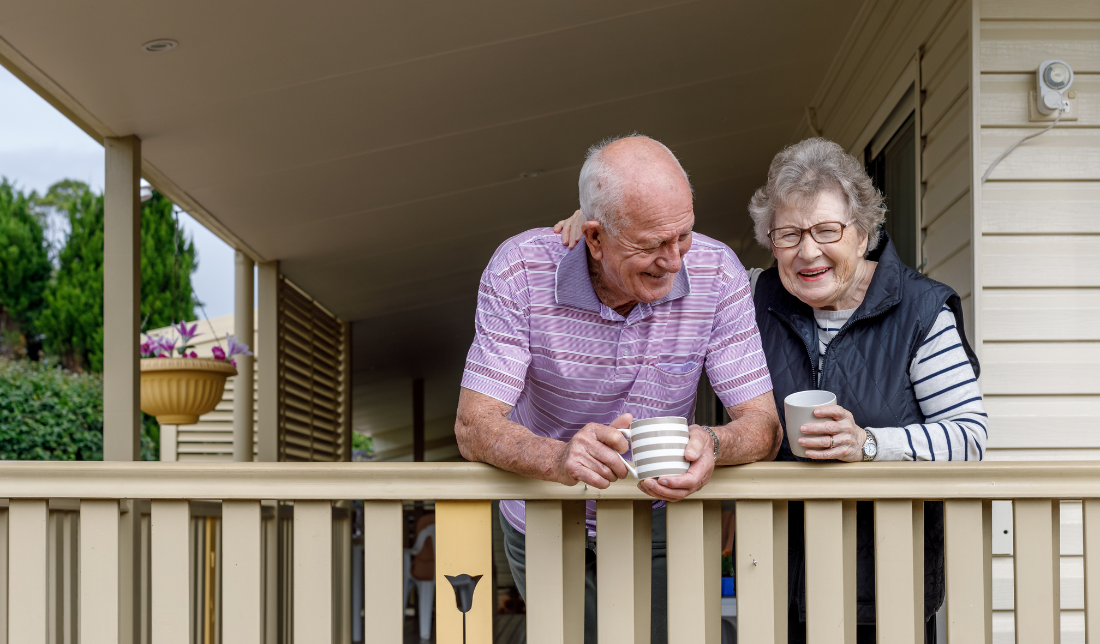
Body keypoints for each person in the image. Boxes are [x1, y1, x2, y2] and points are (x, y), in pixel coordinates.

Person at [556, 138, 987, 643]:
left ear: (865, 230)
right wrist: (600, 227)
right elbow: (660, 244)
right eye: (788, 234)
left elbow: (969, 437)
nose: (808, 251)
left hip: (886, 584)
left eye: (827, 230)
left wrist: (870, 444)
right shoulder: (750, 297)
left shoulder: (920, 310)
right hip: (771, 578)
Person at [456, 134, 782, 644]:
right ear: (594, 237)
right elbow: (474, 426)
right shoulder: (519, 269)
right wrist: (559, 458)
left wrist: (714, 445)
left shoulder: (718, 273)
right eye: (651, 245)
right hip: (542, 511)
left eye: (684, 236)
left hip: (656, 513)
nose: (674, 261)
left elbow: (763, 426)